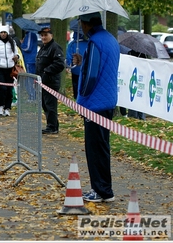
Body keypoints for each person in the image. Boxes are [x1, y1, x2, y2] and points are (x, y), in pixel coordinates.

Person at [72, 12, 119, 203]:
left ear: (86, 24)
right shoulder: (110, 39)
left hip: (94, 104)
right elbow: (100, 67)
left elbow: (91, 77)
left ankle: (101, 190)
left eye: (81, 23)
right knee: (102, 146)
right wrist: (83, 62)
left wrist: (81, 99)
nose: (80, 27)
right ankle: (103, 188)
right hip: (107, 100)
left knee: (95, 148)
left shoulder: (94, 43)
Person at [35, 27, 65, 134]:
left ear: (51, 35)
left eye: (45, 35)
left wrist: (46, 72)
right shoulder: (43, 47)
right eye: (42, 35)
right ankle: (51, 125)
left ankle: (52, 127)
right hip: (42, 81)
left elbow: (60, 64)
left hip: (51, 82)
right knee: (45, 104)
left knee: (50, 105)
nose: (43, 37)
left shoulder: (55, 48)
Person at [0, 25, 20, 117]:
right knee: (2, 88)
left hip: (10, 69)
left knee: (9, 89)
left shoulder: (12, 42)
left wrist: (16, 57)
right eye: (1, 33)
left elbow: (16, 53)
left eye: (5, 32)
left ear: (7, 33)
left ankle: (7, 108)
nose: (3, 34)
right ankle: (0, 106)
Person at [66, 31, 88, 99]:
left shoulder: (72, 44)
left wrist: (67, 66)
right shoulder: (88, 43)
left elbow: (69, 56)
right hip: (86, 69)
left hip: (75, 69)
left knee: (76, 85)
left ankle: (77, 98)